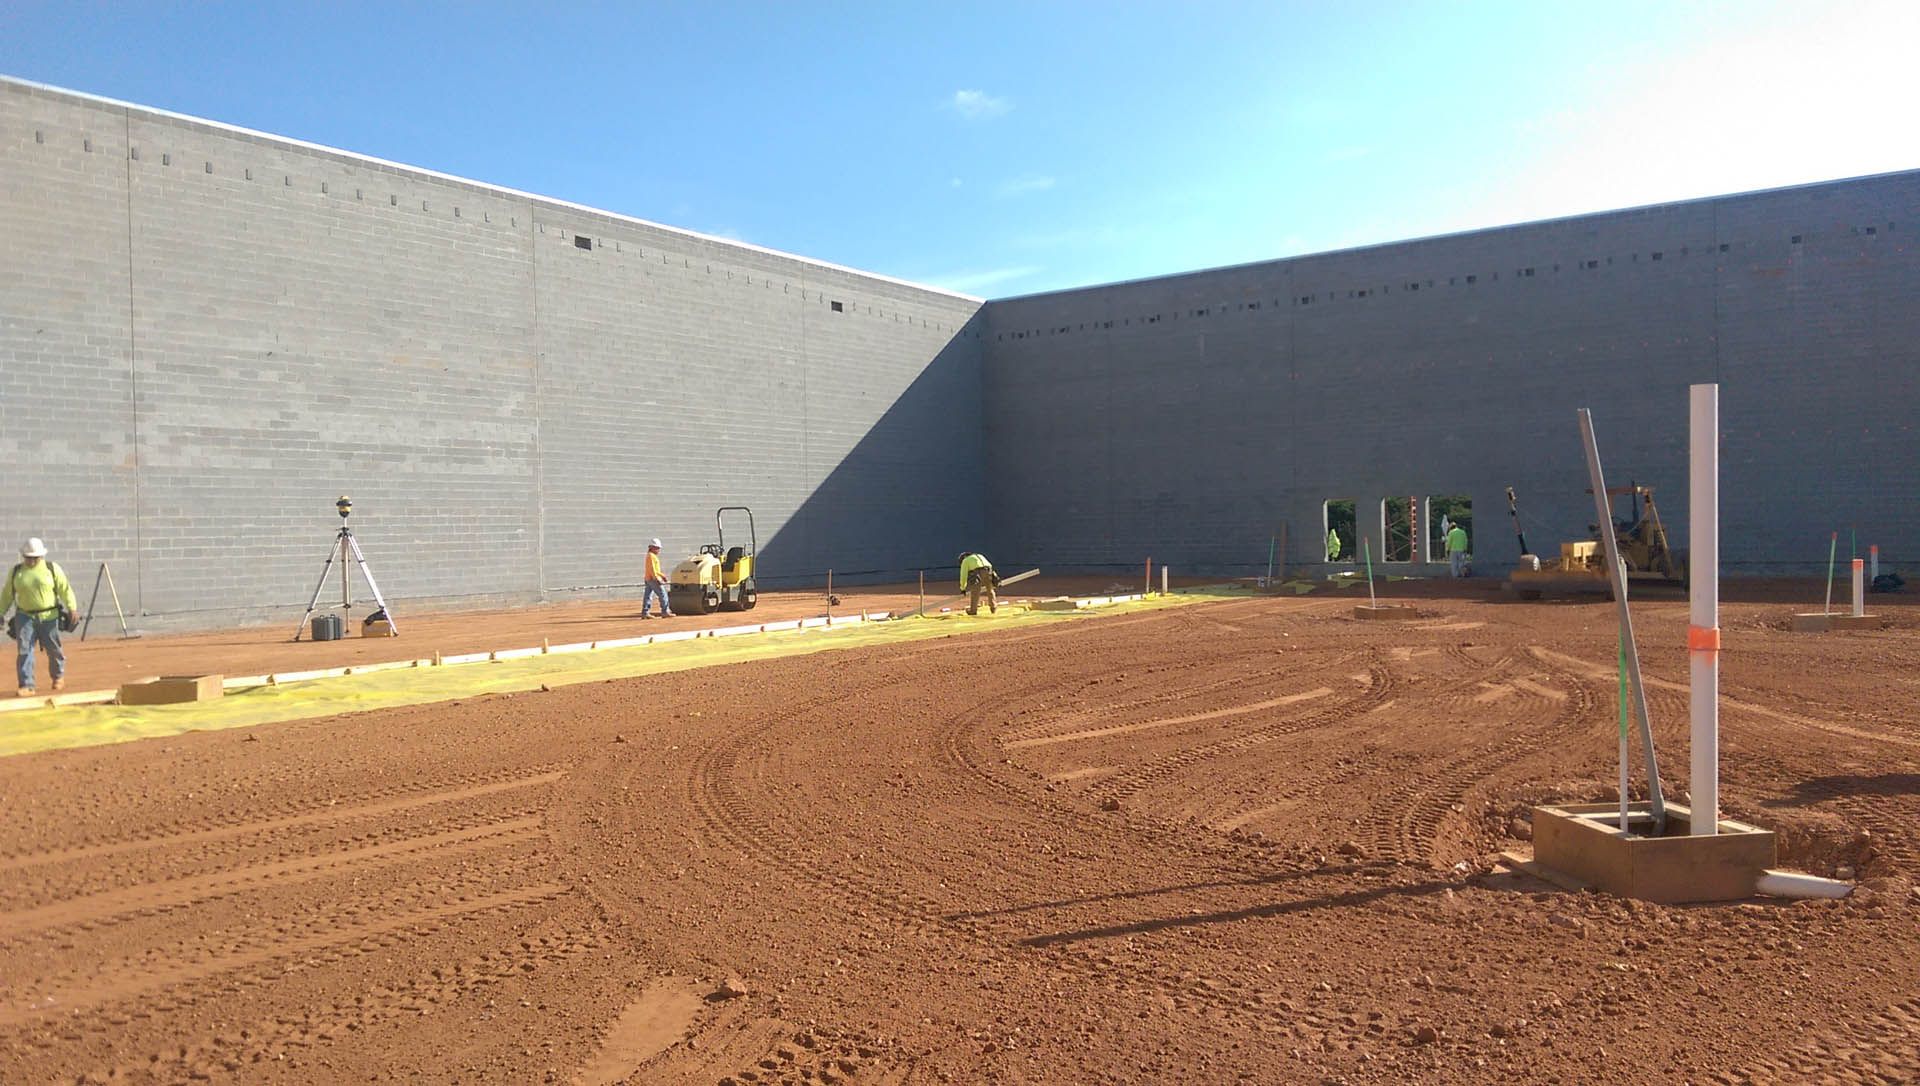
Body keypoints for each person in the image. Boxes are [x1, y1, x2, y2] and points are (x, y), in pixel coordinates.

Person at [3, 538, 78, 697]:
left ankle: (58, 676)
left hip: (49, 616)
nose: (31, 561)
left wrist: (72, 608)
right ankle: (27, 685)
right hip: (24, 616)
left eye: (35, 558)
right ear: (23, 556)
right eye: (28, 557)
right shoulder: (17, 572)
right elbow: (7, 595)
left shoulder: (52, 569)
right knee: (24, 650)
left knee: (53, 649)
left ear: (41, 556)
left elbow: (65, 589)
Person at [641, 538, 674, 619]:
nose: (658, 550)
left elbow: (656, 570)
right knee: (663, 594)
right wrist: (657, 578)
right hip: (653, 579)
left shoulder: (651, 556)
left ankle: (645, 613)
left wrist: (662, 576)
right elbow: (653, 569)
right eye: (657, 548)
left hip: (648, 578)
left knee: (648, 596)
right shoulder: (652, 556)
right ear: (652, 547)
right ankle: (665, 612)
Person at [957, 551, 998, 615]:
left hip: (977, 573)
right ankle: (993, 607)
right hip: (989, 570)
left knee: (975, 592)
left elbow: (963, 575)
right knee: (990, 589)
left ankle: (973, 610)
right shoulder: (980, 555)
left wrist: (963, 588)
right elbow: (989, 564)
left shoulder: (965, 560)